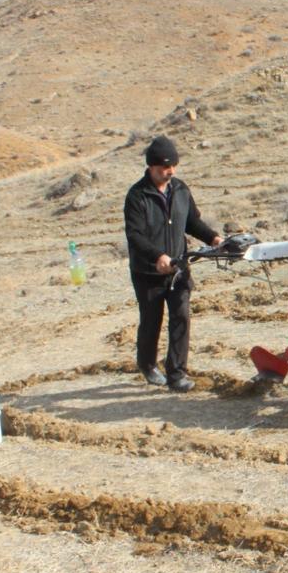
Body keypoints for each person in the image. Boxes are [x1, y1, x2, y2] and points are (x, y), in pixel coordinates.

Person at [123, 135, 223, 392]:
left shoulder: (180, 189)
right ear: (150, 167)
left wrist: (213, 237)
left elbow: (192, 222)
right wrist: (157, 256)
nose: (169, 172)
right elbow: (135, 236)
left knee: (181, 317)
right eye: (163, 169)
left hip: (179, 269)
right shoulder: (137, 196)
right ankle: (147, 364)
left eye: (172, 167)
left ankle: (177, 374)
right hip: (148, 272)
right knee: (151, 321)